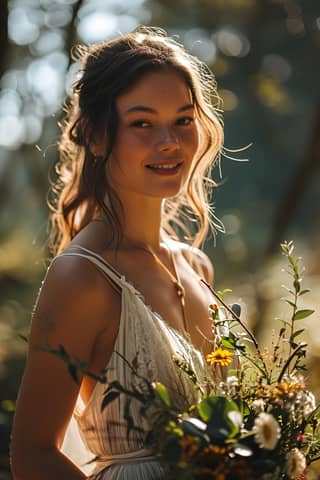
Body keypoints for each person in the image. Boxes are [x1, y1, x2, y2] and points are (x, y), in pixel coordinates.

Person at [11, 26, 224, 479]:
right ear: (96, 135)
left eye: (183, 119)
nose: (169, 141)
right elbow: (32, 455)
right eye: (142, 123)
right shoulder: (83, 277)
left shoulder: (197, 266)